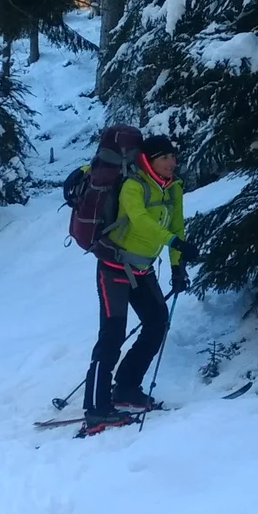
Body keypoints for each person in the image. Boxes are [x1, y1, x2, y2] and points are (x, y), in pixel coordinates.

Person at [85, 134, 188, 420]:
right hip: (114, 268)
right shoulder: (133, 185)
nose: (172, 162)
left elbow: (177, 225)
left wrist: (178, 266)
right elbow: (141, 222)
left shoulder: (173, 188)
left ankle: (127, 387)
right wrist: (173, 243)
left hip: (143, 270)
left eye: (173, 156)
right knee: (112, 335)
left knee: (157, 323)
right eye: (164, 157)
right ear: (149, 159)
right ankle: (96, 407)